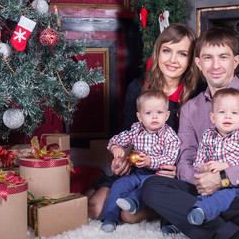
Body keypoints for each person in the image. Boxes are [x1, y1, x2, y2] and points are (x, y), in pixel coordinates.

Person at [141, 27, 239, 239]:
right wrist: (203, 180)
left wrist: (225, 177)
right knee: (151, 187)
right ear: (198, 63)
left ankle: (191, 219)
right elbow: (185, 159)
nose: (215, 65)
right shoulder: (190, 108)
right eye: (207, 58)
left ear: (235, 61)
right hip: (204, 186)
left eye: (223, 57)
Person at [86, 23, 204, 223]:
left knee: (128, 215)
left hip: (168, 173)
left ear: (191, 59)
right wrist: (122, 157)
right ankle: (95, 185)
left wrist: (181, 170)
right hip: (137, 168)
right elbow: (128, 131)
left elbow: (202, 143)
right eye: (167, 51)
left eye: (182, 54)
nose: (173, 60)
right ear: (158, 52)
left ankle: (166, 205)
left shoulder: (197, 94)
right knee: (95, 211)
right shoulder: (139, 87)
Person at [100, 89, 181, 232]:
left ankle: (133, 202)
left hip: (157, 175)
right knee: (118, 185)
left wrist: (151, 161)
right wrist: (115, 148)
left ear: (167, 115)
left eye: (160, 112)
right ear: (140, 116)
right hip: (136, 172)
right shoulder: (136, 130)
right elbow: (116, 139)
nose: (154, 116)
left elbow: (170, 157)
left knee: (148, 187)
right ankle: (109, 218)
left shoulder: (169, 135)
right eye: (148, 113)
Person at [187, 88, 239, 226]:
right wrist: (203, 167)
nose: (228, 116)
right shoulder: (208, 135)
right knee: (199, 196)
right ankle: (182, 221)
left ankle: (203, 214)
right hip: (211, 182)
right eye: (222, 112)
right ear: (213, 117)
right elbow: (199, 159)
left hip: (238, 186)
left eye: (234, 113)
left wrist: (227, 165)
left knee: (223, 197)